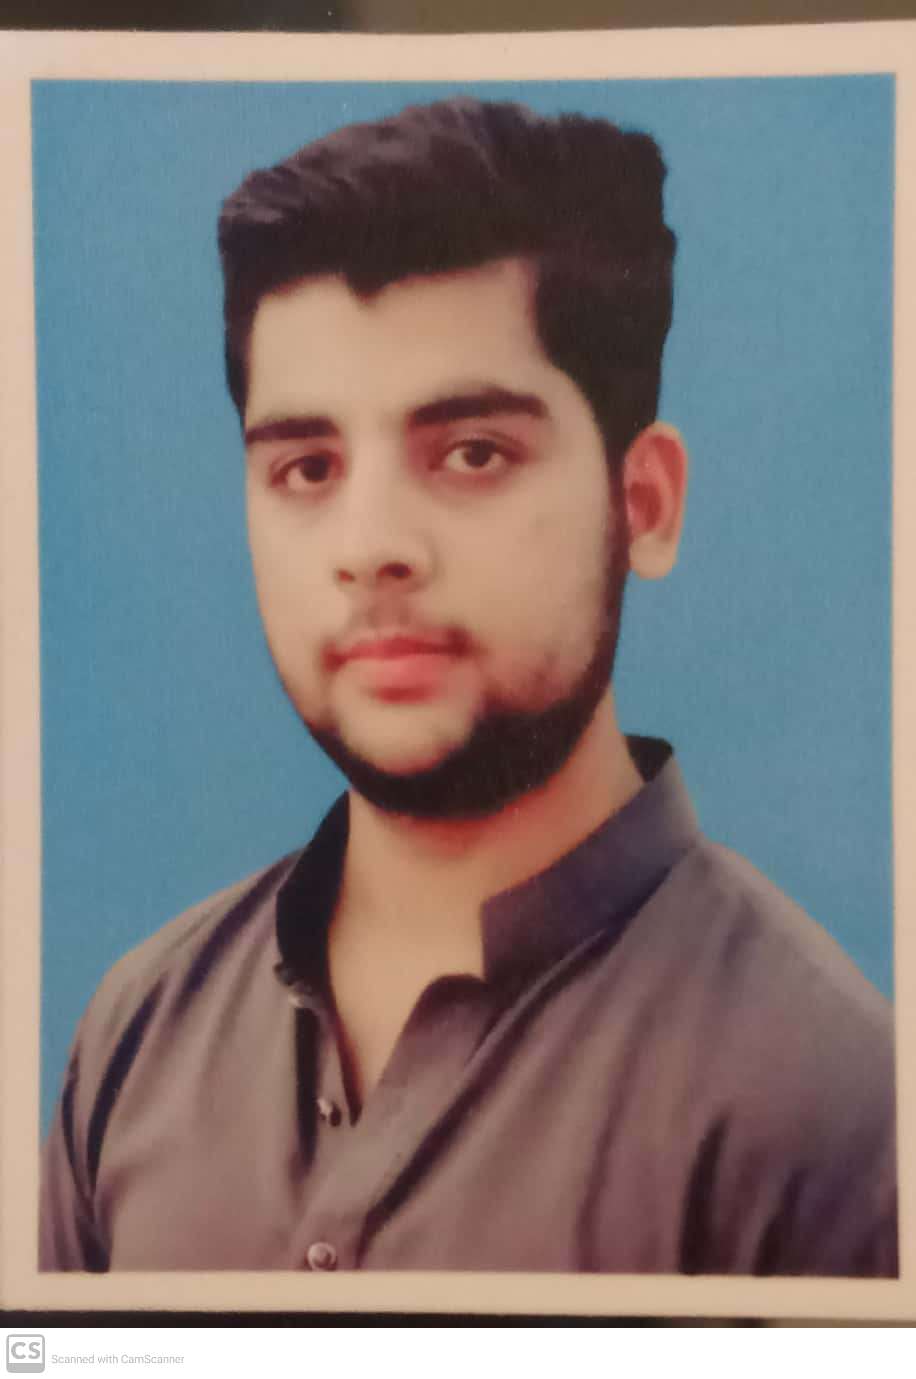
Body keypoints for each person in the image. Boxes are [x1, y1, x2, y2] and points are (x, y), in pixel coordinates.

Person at [40, 96, 896, 1276]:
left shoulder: (835, 1113)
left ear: (643, 505)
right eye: (307, 467)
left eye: (472, 452)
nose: (370, 546)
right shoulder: (138, 1036)